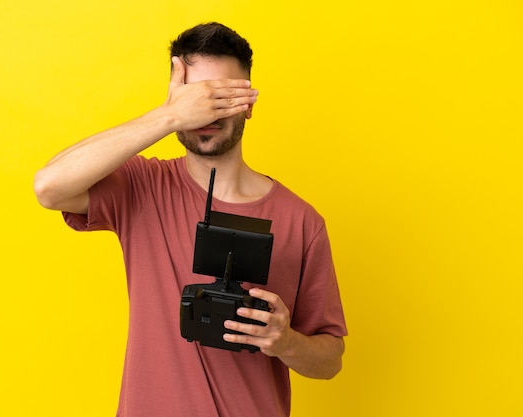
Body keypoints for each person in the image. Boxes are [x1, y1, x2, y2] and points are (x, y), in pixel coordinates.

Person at [34, 22, 347, 417]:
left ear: (248, 103)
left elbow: (330, 359)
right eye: (196, 97)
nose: (206, 112)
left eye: (221, 96)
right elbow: (49, 186)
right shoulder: (142, 187)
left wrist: (285, 341)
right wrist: (167, 117)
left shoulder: (302, 221)